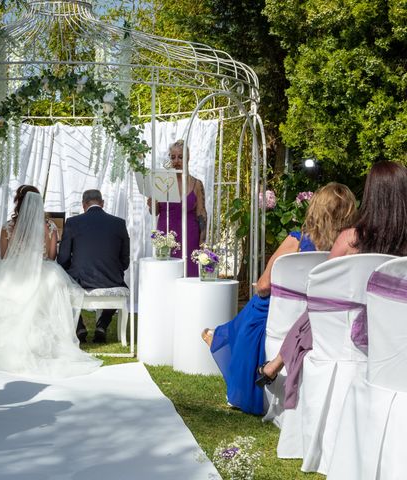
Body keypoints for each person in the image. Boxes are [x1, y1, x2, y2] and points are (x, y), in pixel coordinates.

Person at [259, 161, 407, 408]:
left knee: (314, 310)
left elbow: (321, 289)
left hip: (349, 334)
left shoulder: (352, 239)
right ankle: (275, 364)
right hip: (396, 333)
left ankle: (275, 363)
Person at [202, 183, 357, 415]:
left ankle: (222, 338)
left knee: (254, 308)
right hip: (319, 316)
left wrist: (263, 288)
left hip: (280, 313)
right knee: (249, 318)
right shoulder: (351, 247)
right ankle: (223, 335)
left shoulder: (296, 241)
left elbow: (264, 286)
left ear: (315, 209)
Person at [0, 185, 102, 377]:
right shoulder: (50, 226)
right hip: (44, 271)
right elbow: (52, 256)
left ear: (19, 201)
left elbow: (4, 257)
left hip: (13, 273)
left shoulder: (8, 227)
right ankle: (46, 344)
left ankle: (12, 343)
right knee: (51, 291)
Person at [57, 189, 131, 343]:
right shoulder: (119, 223)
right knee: (120, 281)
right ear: (102, 203)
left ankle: (80, 327)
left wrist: (73, 270)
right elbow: (125, 260)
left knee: (61, 287)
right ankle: (102, 325)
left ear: (84, 205)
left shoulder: (72, 223)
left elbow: (63, 258)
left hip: (81, 280)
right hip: (112, 280)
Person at [147, 139, 207, 277]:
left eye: (180, 157)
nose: (176, 161)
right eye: (173, 157)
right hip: (166, 237)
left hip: (190, 236)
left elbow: (202, 214)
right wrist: (151, 203)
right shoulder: (162, 182)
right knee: (166, 274)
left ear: (187, 158)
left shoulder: (196, 184)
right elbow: (154, 212)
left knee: (189, 273)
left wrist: (202, 242)